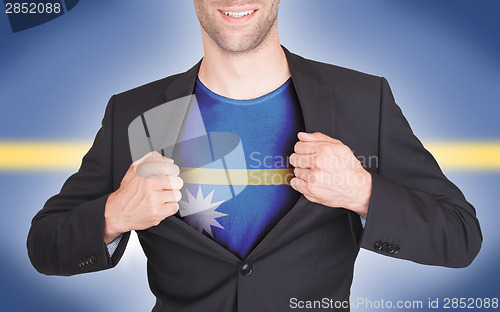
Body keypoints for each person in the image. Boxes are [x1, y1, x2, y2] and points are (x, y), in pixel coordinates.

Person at [27, 1, 482, 311]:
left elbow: (460, 236)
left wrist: (363, 192)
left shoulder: (363, 100)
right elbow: (44, 245)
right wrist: (114, 214)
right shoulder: (135, 113)